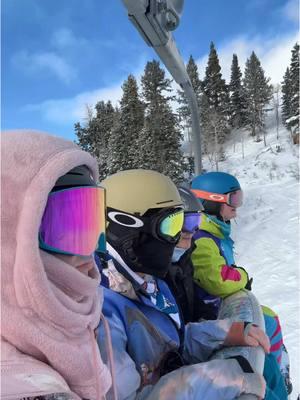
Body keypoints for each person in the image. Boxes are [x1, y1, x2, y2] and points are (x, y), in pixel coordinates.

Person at [97, 168, 270, 400]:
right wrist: (206, 382)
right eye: (171, 225)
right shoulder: (101, 312)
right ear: (126, 226)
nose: (181, 239)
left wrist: (225, 333)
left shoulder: (150, 283)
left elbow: (173, 342)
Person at [1, 130, 112, 400]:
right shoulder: (24, 387)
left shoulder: (79, 329)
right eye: (67, 227)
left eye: (90, 222)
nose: (88, 254)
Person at [190, 171, 292, 396]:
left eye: (239, 197)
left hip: (221, 308)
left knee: (269, 319)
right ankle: (274, 377)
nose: (237, 206)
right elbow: (219, 279)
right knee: (266, 325)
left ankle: (278, 373)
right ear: (211, 202)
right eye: (232, 199)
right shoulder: (202, 237)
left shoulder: (215, 233)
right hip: (210, 313)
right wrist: (243, 276)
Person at [165, 186, 217, 323]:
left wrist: (209, 319)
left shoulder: (184, 259)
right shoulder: (151, 271)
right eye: (185, 223)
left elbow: (191, 301)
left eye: (196, 221)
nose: (192, 231)